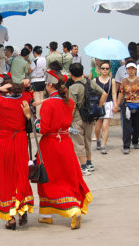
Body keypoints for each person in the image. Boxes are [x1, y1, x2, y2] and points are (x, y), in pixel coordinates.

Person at [36, 70, 92, 230]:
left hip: (50, 145)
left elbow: (44, 128)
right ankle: (64, 210)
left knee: (48, 179)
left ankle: (55, 213)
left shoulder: (48, 104)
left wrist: (34, 121)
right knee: (67, 177)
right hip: (65, 142)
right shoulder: (69, 102)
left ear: (49, 85)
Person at [0, 76, 34, 230]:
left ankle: (10, 218)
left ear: (5, 89)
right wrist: (23, 86)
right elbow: (31, 90)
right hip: (20, 139)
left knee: (4, 178)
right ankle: (22, 209)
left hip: (4, 141)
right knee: (21, 175)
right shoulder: (25, 98)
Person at [69, 63, 107, 175]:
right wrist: (98, 107)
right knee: (87, 141)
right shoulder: (91, 83)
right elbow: (104, 94)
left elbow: (73, 106)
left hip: (77, 119)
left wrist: (68, 120)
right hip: (90, 118)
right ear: (82, 71)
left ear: (71, 74)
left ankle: (83, 167)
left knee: (79, 143)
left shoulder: (73, 88)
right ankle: (89, 163)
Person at [113, 61, 139, 154]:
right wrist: (116, 105)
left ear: (135, 70)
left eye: (132, 68)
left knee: (136, 126)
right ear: (126, 70)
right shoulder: (123, 81)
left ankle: (135, 141)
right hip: (127, 105)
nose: (131, 70)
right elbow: (121, 93)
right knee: (127, 127)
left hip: (137, 104)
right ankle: (126, 145)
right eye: (129, 69)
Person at [93, 61, 117, 154]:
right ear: (99, 69)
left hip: (108, 103)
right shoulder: (95, 80)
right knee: (97, 127)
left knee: (105, 125)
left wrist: (115, 105)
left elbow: (114, 93)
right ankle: (98, 139)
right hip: (98, 104)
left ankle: (104, 145)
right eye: (103, 68)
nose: (105, 70)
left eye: (107, 68)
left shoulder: (112, 80)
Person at [29, 46, 46, 118]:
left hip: (35, 80)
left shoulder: (35, 60)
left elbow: (30, 70)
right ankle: (43, 115)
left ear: (34, 52)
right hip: (42, 80)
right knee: (42, 100)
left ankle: (38, 117)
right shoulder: (44, 59)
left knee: (37, 101)